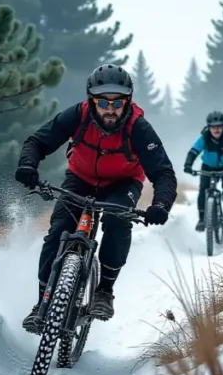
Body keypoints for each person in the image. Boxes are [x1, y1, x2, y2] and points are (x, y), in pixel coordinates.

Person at [14, 64, 179, 335]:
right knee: (58, 232)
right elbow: (37, 142)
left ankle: (104, 291)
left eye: (118, 103)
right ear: (92, 100)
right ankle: (42, 303)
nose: (110, 109)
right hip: (80, 179)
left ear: (128, 101)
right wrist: (28, 166)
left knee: (117, 220)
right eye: (103, 102)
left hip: (122, 184)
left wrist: (160, 205)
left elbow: (163, 173)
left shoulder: (138, 127)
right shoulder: (77, 116)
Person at [183, 111, 223, 232]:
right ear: (208, 127)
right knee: (203, 188)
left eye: (219, 127)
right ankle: (202, 219)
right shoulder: (205, 138)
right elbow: (193, 151)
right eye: (213, 127)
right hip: (208, 166)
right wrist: (188, 165)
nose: (216, 130)